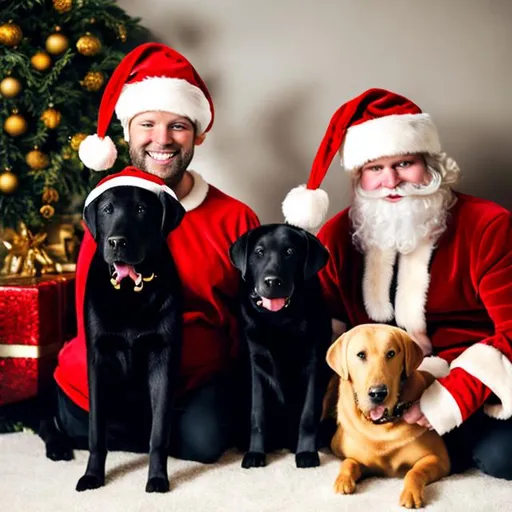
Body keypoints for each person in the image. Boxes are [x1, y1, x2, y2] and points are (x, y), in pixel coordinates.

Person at [282, 88, 512, 479]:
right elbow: (329, 325)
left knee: (502, 458)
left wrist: (451, 396)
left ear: (430, 164)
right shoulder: (339, 235)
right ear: (358, 177)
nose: (390, 181)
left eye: (405, 163)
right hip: (378, 385)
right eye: (374, 168)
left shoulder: (488, 225)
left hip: (465, 382)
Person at [49, 43, 260, 463]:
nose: (161, 140)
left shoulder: (235, 218)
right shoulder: (106, 208)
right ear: (128, 133)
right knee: (81, 426)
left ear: (198, 133)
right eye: (147, 124)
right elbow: (87, 311)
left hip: (191, 376)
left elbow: (246, 320)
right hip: (117, 367)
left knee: (204, 444)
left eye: (178, 126)